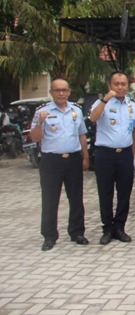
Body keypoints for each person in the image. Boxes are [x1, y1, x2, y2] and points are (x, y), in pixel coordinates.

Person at [31, 78, 90, 251]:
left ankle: (77, 232)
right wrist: (40, 122)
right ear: (51, 92)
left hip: (72, 159)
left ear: (69, 91)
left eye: (64, 90)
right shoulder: (42, 112)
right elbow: (35, 138)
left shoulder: (76, 111)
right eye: (57, 90)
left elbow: (82, 135)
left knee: (76, 198)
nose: (61, 93)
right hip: (51, 161)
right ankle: (49, 236)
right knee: (50, 199)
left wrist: (85, 157)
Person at [89, 71, 135, 245]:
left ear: (127, 86)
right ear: (109, 86)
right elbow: (92, 118)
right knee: (105, 192)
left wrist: (132, 151)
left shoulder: (132, 106)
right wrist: (105, 99)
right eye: (116, 84)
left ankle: (119, 227)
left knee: (124, 192)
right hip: (105, 154)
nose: (120, 87)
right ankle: (107, 228)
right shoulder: (101, 103)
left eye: (123, 84)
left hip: (125, 154)